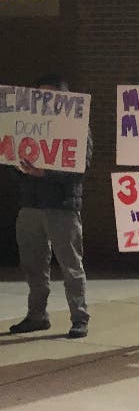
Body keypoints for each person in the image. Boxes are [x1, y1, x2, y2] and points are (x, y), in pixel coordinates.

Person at [8, 75, 92, 339]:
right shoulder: (28, 127)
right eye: (40, 95)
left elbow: (81, 166)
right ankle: (37, 315)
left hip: (62, 206)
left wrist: (46, 174)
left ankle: (80, 318)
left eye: (50, 96)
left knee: (71, 265)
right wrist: (19, 166)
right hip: (31, 205)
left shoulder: (76, 128)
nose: (44, 101)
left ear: (63, 99)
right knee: (33, 265)